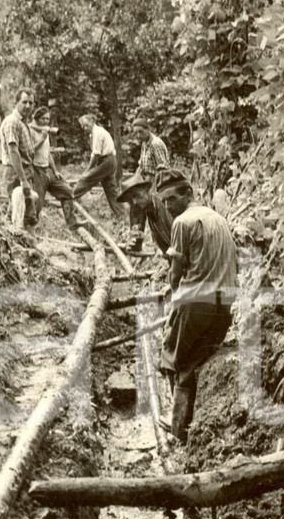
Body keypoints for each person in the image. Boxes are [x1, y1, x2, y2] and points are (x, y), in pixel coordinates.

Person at [155, 168, 237, 445]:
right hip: (224, 305)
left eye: (172, 198)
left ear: (188, 194)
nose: (168, 206)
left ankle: (177, 425)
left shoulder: (182, 222)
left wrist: (175, 299)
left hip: (197, 302)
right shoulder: (218, 218)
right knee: (194, 358)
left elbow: (176, 274)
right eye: (164, 201)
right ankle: (186, 427)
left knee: (171, 355)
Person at [29, 106, 80, 232]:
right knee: (38, 203)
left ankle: (71, 223)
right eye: (43, 119)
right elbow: (29, 152)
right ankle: (31, 230)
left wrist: (55, 170)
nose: (46, 121)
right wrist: (41, 139)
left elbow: (47, 153)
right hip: (36, 170)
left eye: (48, 119)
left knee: (67, 191)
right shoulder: (31, 131)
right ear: (36, 118)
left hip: (48, 170)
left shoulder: (45, 132)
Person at [126, 117, 171, 251]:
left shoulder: (156, 144)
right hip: (145, 181)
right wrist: (134, 180)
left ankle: (165, 246)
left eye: (141, 132)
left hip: (155, 182)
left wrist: (156, 189)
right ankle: (136, 241)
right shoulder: (144, 144)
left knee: (155, 216)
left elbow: (164, 169)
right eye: (136, 133)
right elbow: (141, 165)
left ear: (148, 129)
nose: (138, 136)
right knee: (136, 207)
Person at [72, 114, 124, 222]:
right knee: (111, 190)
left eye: (86, 125)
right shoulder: (94, 133)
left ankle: (69, 198)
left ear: (92, 122)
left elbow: (96, 154)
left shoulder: (97, 133)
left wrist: (88, 170)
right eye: (82, 126)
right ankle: (122, 216)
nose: (84, 128)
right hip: (108, 161)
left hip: (107, 161)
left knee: (86, 178)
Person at [0, 89, 37, 225]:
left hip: (25, 171)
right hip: (16, 172)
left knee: (26, 213)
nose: (28, 106)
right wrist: (23, 179)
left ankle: (25, 243)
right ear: (16, 103)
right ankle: (21, 244)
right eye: (24, 102)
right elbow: (13, 151)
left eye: (31, 103)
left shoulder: (24, 123)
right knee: (20, 215)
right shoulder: (12, 122)